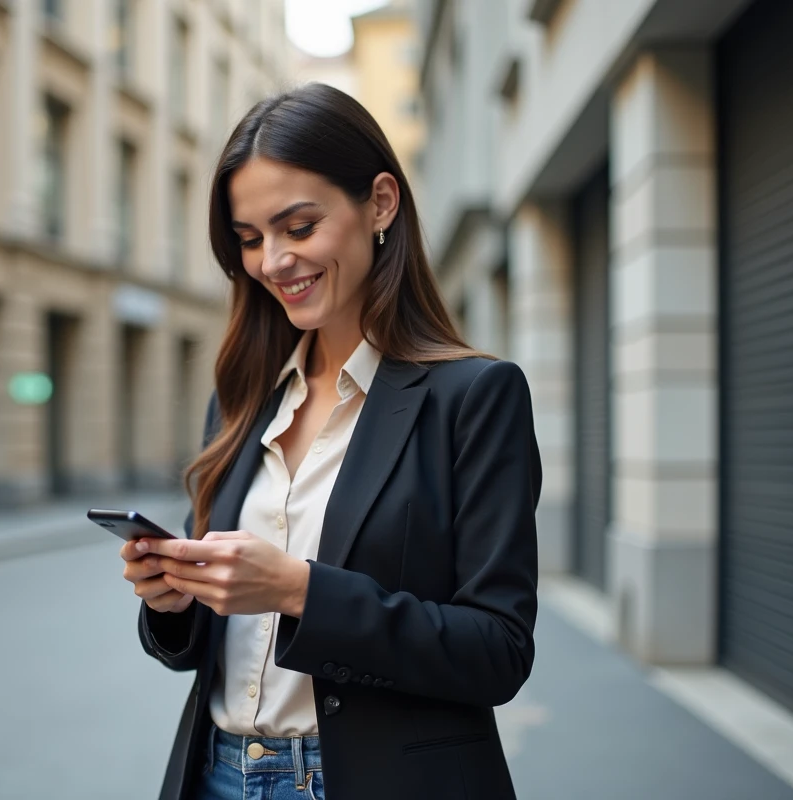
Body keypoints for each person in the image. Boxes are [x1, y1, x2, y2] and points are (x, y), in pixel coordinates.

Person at [120, 83, 541, 800]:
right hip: (219, 774)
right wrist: (175, 601)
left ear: (380, 203)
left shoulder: (473, 396)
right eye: (250, 239)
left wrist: (299, 590)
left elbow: (497, 652)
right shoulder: (242, 398)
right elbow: (214, 653)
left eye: (299, 226)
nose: (273, 261)